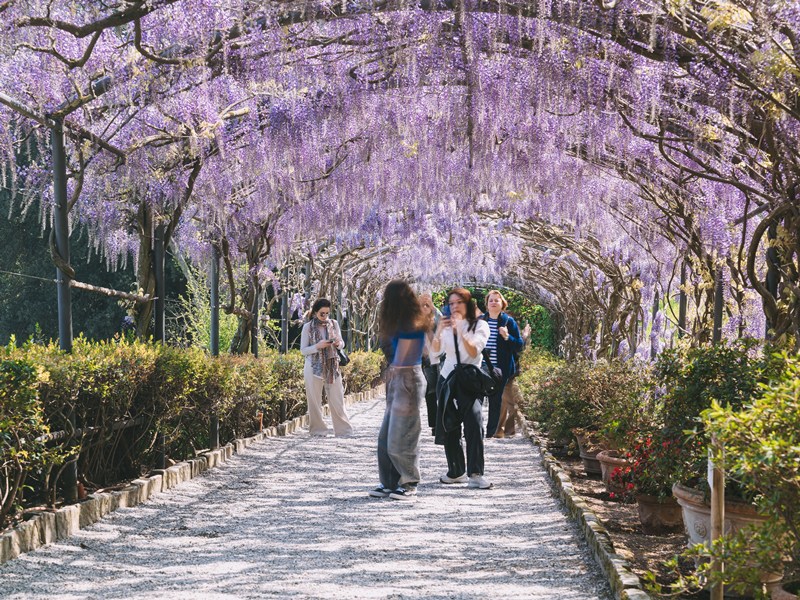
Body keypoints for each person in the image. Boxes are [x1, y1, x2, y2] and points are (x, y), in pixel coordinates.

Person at [369, 280, 427, 502]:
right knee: (385, 437)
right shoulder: (395, 323)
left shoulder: (413, 322)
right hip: (397, 379)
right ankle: (389, 482)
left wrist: (388, 374)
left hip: (408, 378)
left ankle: (409, 482)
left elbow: (408, 355)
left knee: (403, 435)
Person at [431, 287, 493, 489]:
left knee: (474, 422)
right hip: (447, 378)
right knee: (450, 425)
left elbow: (475, 351)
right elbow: (434, 354)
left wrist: (461, 332)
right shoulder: (447, 327)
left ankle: (475, 473)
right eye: (451, 303)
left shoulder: (481, 325)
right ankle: (456, 471)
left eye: (459, 302)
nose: (455, 306)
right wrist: (440, 330)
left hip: (470, 379)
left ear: (468, 304)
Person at [300, 298, 353, 437]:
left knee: (337, 398)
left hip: (332, 365)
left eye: (327, 313)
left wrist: (337, 344)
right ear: (315, 312)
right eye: (321, 313)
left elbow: (342, 343)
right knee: (314, 401)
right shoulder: (308, 327)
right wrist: (318, 346)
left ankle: (343, 430)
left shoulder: (333, 324)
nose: (325, 316)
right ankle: (318, 430)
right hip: (313, 366)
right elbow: (303, 350)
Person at [480, 290, 525, 438]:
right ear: (487, 304)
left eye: (496, 300)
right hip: (481, 367)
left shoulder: (508, 322)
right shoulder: (481, 321)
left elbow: (519, 345)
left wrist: (507, 337)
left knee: (496, 401)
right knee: (477, 399)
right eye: (491, 300)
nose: (493, 302)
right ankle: (476, 429)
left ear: (502, 304)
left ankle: (491, 432)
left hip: (501, 368)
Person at [419, 292, 441, 436]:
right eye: (422, 303)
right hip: (422, 360)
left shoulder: (437, 317)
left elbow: (443, 325)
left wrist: (433, 308)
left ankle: (440, 423)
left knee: (439, 392)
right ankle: (434, 425)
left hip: (437, 358)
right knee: (430, 394)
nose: (425, 306)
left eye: (428, 303)